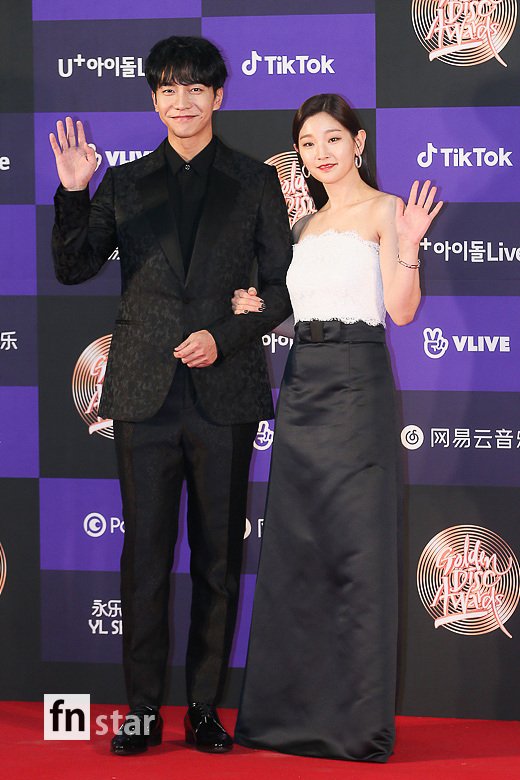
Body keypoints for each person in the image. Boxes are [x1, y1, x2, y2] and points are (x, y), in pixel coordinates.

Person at [50, 35, 292, 755]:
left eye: (195, 88)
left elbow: (283, 287)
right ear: (153, 98)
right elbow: (72, 268)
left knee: (218, 559)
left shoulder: (254, 181)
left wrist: (226, 335)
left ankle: (205, 711)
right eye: (167, 88)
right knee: (145, 557)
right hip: (144, 394)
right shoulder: (123, 183)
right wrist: (72, 191)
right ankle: (144, 710)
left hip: (225, 389)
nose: (181, 101)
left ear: (219, 97)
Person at [232, 93, 443, 762]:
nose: (320, 152)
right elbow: (308, 311)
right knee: (299, 554)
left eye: (332, 138)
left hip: (356, 388)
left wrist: (407, 248)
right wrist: (258, 307)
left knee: (356, 552)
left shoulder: (386, 211)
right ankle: (285, 717)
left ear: (358, 141)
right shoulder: (305, 229)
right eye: (308, 143)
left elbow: (401, 312)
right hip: (301, 388)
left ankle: (354, 726)